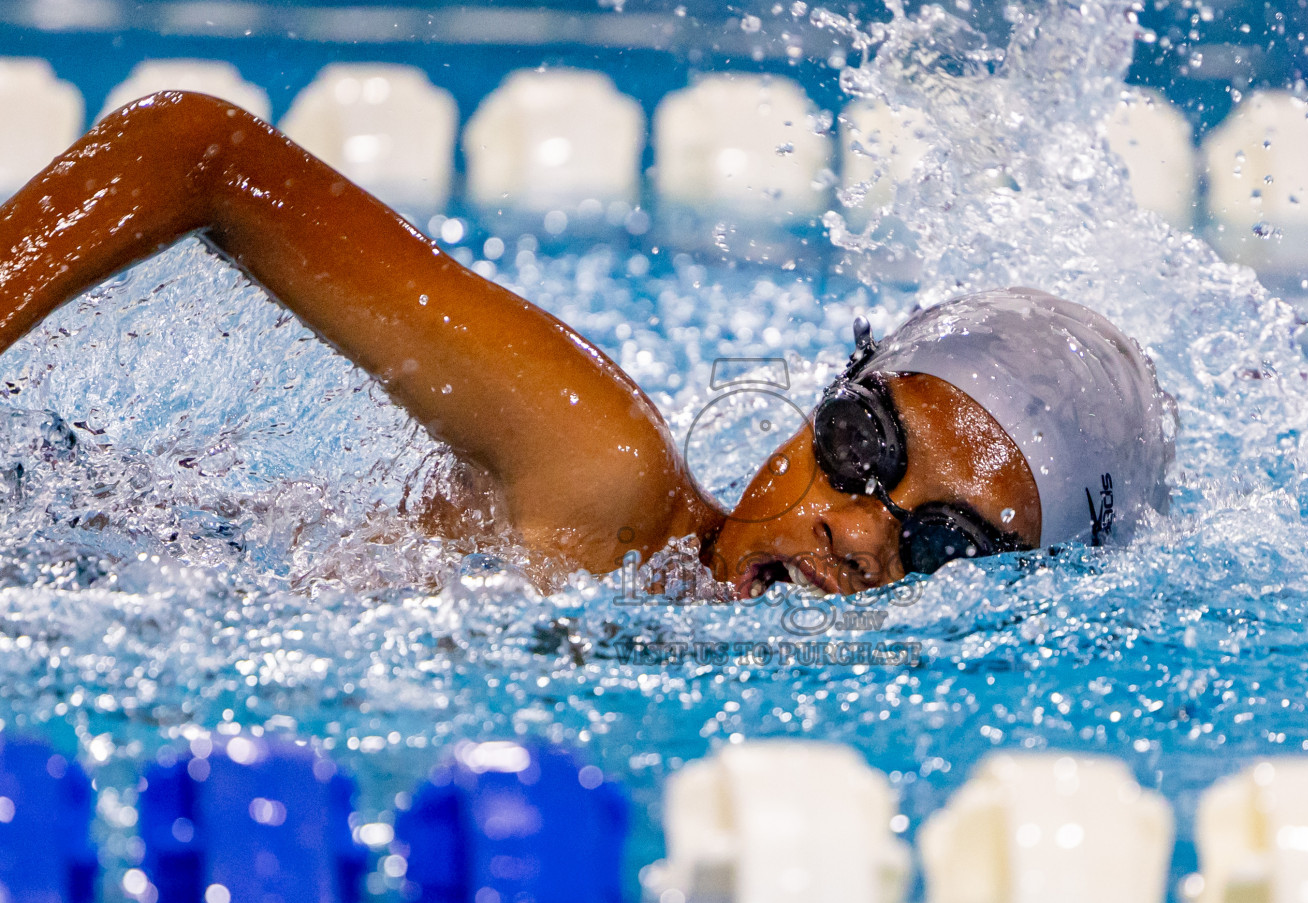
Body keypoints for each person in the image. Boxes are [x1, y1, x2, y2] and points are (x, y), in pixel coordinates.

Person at [0, 91, 1174, 598]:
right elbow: (194, 151)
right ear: (817, 404)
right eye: (864, 444)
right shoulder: (598, 483)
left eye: (949, 547)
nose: (859, 528)